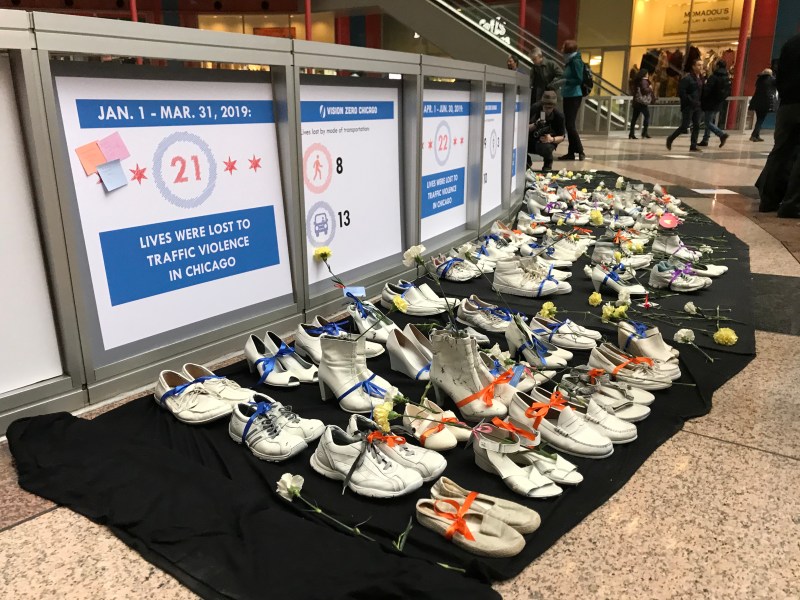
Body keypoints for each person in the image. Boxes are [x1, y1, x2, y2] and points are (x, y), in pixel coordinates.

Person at [756, 34, 800, 218]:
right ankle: (792, 204)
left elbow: (778, 73)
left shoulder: (790, 42)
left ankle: (768, 200)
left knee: (780, 151)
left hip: (787, 105)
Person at [666, 58, 704, 152]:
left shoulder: (701, 78)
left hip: (698, 106)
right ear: (693, 66)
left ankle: (693, 145)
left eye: (701, 65)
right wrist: (689, 100)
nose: (701, 67)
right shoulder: (687, 78)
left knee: (697, 125)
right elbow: (682, 92)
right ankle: (671, 138)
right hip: (688, 106)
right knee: (685, 125)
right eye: (698, 65)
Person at [559, 39, 585, 161]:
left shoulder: (576, 61)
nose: (561, 49)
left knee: (570, 125)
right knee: (569, 125)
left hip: (574, 96)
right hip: (568, 95)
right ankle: (571, 153)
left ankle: (580, 150)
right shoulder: (570, 61)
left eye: (563, 47)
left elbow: (579, 79)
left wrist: (566, 81)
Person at [527, 90, 565, 171]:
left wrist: (551, 139)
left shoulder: (558, 116)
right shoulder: (535, 108)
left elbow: (562, 137)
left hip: (547, 142)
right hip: (531, 139)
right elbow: (523, 129)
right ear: (542, 104)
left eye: (550, 108)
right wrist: (535, 125)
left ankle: (548, 163)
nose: (547, 110)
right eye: (545, 107)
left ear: (554, 106)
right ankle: (526, 161)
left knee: (545, 148)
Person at [698, 59, 731, 147]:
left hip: (710, 102)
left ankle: (721, 134)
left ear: (717, 66)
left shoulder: (714, 76)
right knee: (709, 120)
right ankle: (705, 139)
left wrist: (702, 96)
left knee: (707, 122)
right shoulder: (726, 77)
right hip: (718, 102)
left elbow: (708, 89)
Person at [748, 68, 776, 142]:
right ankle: (754, 135)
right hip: (765, 102)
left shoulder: (759, 80)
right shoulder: (771, 80)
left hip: (757, 102)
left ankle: (757, 135)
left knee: (759, 119)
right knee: (760, 120)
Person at [629, 69, 655, 139]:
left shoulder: (637, 81)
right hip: (642, 103)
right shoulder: (644, 81)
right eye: (647, 73)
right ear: (645, 74)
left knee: (634, 118)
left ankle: (631, 133)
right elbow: (644, 90)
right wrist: (650, 88)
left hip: (636, 101)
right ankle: (644, 132)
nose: (647, 75)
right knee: (647, 116)